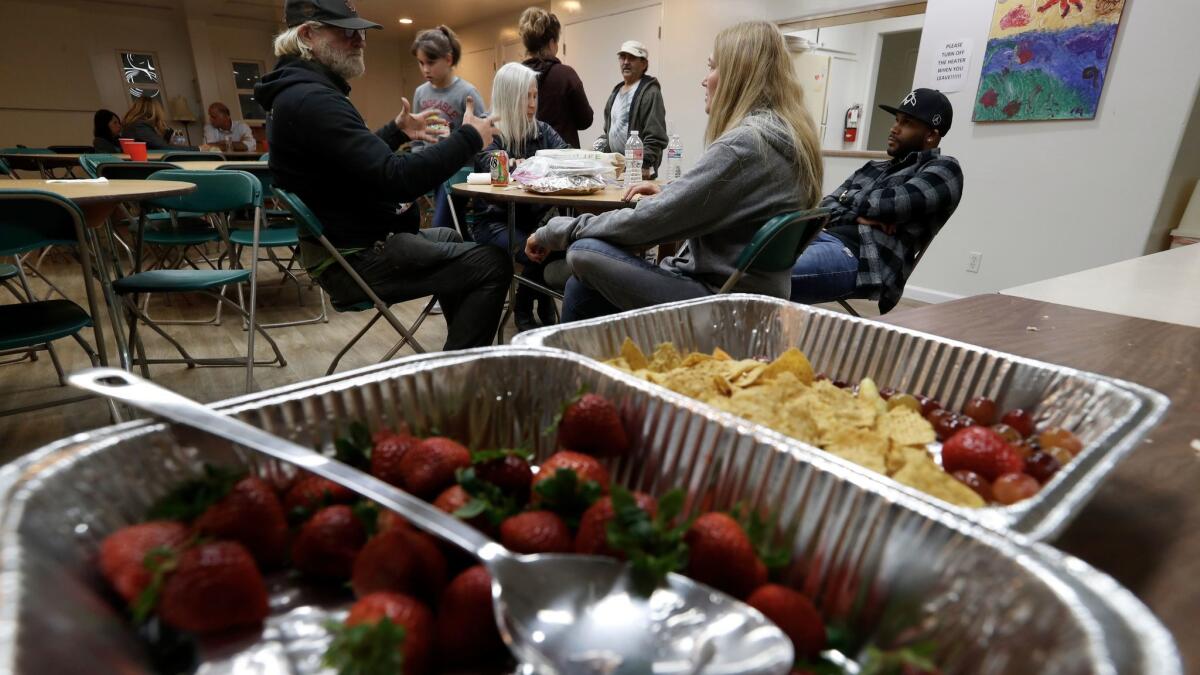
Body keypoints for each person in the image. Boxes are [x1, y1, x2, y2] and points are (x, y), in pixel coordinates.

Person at [525, 20, 823, 322]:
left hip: (723, 304)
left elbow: (647, 224)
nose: (705, 80)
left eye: (711, 68)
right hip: (757, 297)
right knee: (584, 283)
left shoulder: (746, 145)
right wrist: (670, 193)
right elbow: (724, 200)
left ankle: (575, 362)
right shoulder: (789, 138)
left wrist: (555, 231)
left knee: (583, 251)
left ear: (737, 74)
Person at [254, 0, 511, 350]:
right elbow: (397, 178)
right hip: (354, 261)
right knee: (492, 262)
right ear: (307, 35)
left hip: (345, 248)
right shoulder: (313, 100)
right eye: (347, 31)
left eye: (359, 31)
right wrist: (470, 137)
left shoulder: (300, 93)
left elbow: (348, 165)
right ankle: (459, 376)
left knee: (450, 236)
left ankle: (458, 356)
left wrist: (396, 131)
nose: (360, 39)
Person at [790, 88, 964, 313]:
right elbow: (824, 207)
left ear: (931, 135)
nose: (894, 128)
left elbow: (892, 205)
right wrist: (860, 216)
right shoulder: (873, 167)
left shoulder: (944, 169)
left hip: (863, 259)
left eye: (907, 123)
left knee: (764, 275)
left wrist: (850, 204)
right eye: (896, 120)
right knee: (741, 260)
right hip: (818, 237)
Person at [472, 62, 569, 332]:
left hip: (538, 221)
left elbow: (568, 157)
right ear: (510, 97)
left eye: (535, 95)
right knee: (538, 245)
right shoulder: (490, 133)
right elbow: (490, 164)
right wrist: (520, 166)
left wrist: (528, 165)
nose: (532, 103)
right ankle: (534, 299)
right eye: (527, 96)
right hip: (496, 224)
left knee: (552, 239)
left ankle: (533, 297)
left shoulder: (543, 131)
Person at [410, 25, 486, 232]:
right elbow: (417, 136)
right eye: (421, 63)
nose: (425, 69)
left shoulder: (466, 92)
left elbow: (486, 134)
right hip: (429, 167)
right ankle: (472, 252)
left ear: (449, 59)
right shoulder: (420, 93)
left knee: (441, 225)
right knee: (454, 225)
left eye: (431, 63)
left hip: (460, 171)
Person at [519, 7, 592, 148]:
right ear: (552, 43)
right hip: (564, 159)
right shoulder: (565, 75)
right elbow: (585, 120)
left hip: (526, 159)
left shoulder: (515, 78)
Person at [592, 40, 667, 178]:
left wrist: (644, 165)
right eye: (623, 57)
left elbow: (656, 136)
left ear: (644, 64)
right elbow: (609, 131)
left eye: (631, 58)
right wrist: (597, 151)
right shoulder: (615, 93)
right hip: (616, 172)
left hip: (638, 173)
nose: (626, 62)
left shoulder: (650, 92)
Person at [121, 96, 196, 150]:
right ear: (155, 111)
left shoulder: (136, 125)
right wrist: (199, 148)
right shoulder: (140, 126)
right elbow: (164, 147)